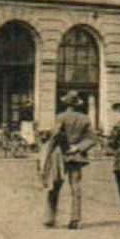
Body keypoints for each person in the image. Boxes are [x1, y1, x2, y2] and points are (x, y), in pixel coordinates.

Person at [47, 91, 96, 230]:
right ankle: (75, 219)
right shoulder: (85, 118)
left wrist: (51, 149)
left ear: (65, 103)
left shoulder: (61, 117)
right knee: (76, 187)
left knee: (55, 186)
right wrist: (78, 148)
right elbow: (92, 139)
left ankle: (50, 217)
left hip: (61, 155)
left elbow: (55, 134)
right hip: (77, 157)